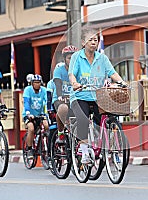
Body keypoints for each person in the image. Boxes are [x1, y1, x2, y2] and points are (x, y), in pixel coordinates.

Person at [68, 29, 127, 164]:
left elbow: (112, 73)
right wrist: (75, 83)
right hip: (80, 95)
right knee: (83, 119)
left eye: (96, 40)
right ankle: (83, 150)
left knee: (106, 119)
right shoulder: (76, 57)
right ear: (83, 43)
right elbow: (72, 74)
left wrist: (122, 82)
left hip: (97, 96)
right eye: (91, 40)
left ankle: (102, 144)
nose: (94, 42)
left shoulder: (102, 58)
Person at [53, 45, 78, 143]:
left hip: (74, 99)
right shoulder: (59, 70)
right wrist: (60, 96)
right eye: (69, 58)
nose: (72, 60)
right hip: (60, 99)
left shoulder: (78, 71)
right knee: (63, 108)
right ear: (64, 59)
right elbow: (58, 83)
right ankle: (61, 133)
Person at [22, 74, 49, 159]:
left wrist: (46, 113)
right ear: (32, 83)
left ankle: (46, 145)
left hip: (40, 114)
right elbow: (26, 102)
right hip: (29, 115)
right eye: (35, 82)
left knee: (46, 125)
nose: (37, 84)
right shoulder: (28, 90)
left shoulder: (44, 90)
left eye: (38, 82)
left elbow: (46, 102)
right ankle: (29, 149)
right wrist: (28, 113)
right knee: (31, 128)